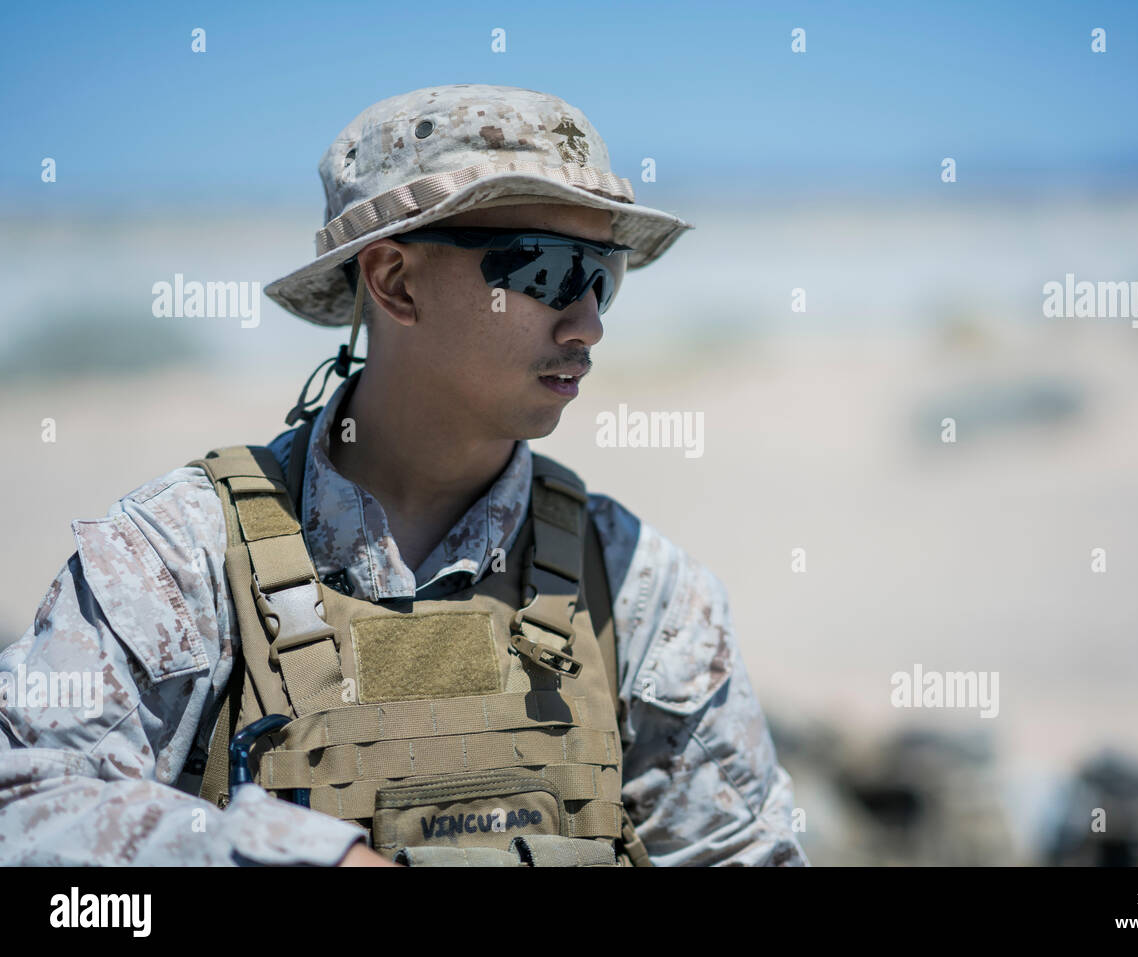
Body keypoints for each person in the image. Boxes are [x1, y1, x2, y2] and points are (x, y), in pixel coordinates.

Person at [0, 84, 808, 867]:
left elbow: (745, 853)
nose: (589, 321)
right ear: (394, 282)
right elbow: (26, 805)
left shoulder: (637, 584)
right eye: (549, 268)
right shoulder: (179, 560)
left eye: (607, 272)